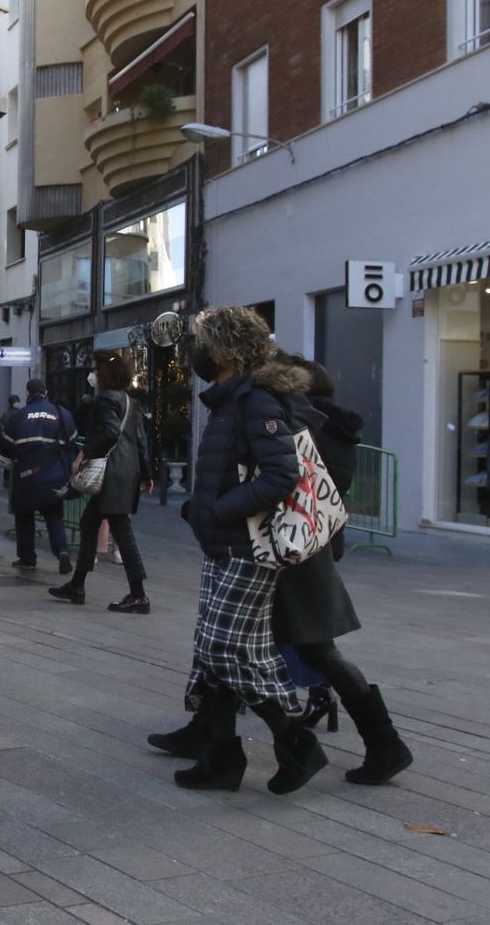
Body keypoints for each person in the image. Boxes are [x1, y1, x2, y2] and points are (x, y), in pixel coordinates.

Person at [148, 353, 412, 786]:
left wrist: (218, 509)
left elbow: (289, 485)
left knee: (311, 650)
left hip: (291, 554)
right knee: (228, 644)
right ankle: (213, 739)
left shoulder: (300, 423)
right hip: (279, 548)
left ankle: (382, 742)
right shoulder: (295, 418)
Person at [163, 307, 326, 795]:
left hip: (246, 548)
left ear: (225, 350)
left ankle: (295, 741)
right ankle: (220, 758)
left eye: (204, 343)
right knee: (213, 651)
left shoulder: (255, 400)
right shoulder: (230, 400)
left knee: (224, 648)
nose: (197, 354)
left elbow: (281, 475)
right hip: (224, 545)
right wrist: (203, 509)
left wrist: (220, 511)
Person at [49, 351, 153, 611]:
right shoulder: (129, 401)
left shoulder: (105, 399)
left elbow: (108, 433)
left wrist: (83, 454)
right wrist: (146, 474)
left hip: (111, 472)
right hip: (125, 471)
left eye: (96, 369)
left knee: (122, 532)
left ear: (105, 373)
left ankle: (138, 594)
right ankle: (77, 584)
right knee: (89, 523)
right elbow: (140, 440)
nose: (93, 374)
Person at [0, 378, 75, 574]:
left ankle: (27, 558)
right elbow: (72, 442)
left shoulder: (18, 416)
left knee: (24, 517)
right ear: (46, 392)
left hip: (26, 476)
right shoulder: (60, 413)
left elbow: (5, 446)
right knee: (54, 516)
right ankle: (62, 551)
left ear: (27, 393)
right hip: (53, 475)